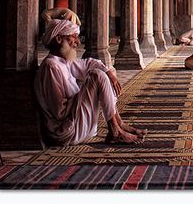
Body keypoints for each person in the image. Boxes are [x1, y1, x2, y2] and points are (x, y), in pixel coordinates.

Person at [34, 18, 145, 146]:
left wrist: (109, 74)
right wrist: (83, 91)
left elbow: (90, 63)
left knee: (99, 73)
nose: (77, 42)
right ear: (59, 39)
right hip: (65, 131)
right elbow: (59, 112)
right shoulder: (51, 66)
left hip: (75, 123)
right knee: (97, 76)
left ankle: (118, 124)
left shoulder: (63, 62)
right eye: (74, 37)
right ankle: (115, 130)